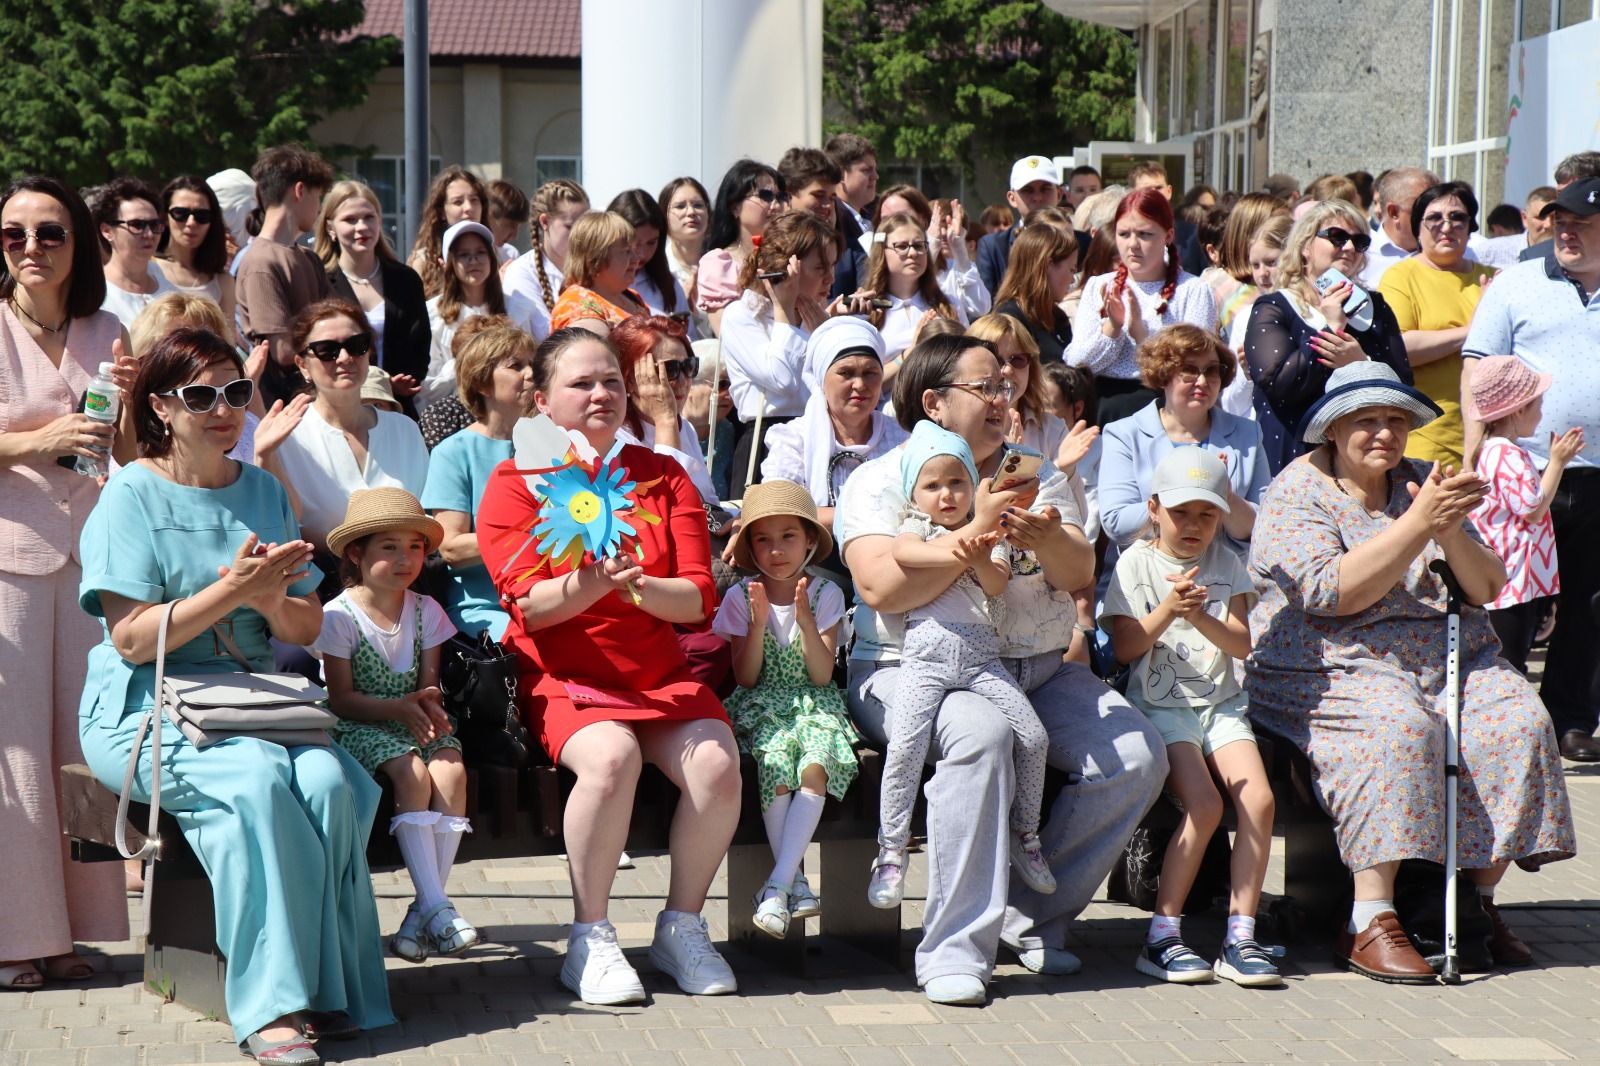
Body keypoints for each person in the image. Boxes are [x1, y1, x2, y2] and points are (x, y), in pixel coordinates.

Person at [75, 327, 393, 1061]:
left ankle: (330, 988)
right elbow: (129, 639)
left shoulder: (262, 491)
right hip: (144, 704)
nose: (224, 410)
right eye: (200, 395)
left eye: (236, 392)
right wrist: (231, 592)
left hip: (254, 702)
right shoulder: (129, 494)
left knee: (328, 782)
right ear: (161, 406)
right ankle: (272, 1006)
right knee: (253, 783)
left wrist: (273, 601)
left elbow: (307, 622)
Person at [840, 333, 1166, 1003]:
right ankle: (955, 948)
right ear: (933, 403)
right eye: (983, 387)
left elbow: (1081, 574)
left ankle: (1028, 918)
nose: (1002, 398)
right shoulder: (879, 478)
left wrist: (1048, 539)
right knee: (981, 735)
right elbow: (880, 590)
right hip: (912, 667)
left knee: (1135, 755)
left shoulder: (1035, 473)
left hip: (1035, 668)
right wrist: (975, 536)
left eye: (1007, 385)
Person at [1248, 359, 1573, 980]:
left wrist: (1448, 533)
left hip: (1448, 651)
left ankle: (1471, 903)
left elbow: (1484, 587)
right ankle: (1369, 918)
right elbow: (1331, 594)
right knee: (1398, 729)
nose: (1384, 434)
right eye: (1365, 421)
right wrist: (1417, 524)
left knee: (1519, 723)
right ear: (1333, 429)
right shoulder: (1297, 491)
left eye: (1395, 420)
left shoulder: (1425, 479)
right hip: (1333, 659)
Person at [475, 327, 741, 1005]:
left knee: (716, 762)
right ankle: (590, 935)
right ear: (541, 401)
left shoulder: (665, 474)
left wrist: (633, 587)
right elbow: (530, 608)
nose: (602, 394)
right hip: (565, 674)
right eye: (582, 383)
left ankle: (681, 926)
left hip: (657, 672)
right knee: (611, 758)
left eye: (612, 382)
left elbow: (698, 598)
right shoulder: (514, 484)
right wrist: (591, 582)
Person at [0, 175, 132, 991]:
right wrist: (34, 439)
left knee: (80, 751)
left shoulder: (108, 326)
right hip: (6, 561)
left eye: (49, 233)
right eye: (13, 235)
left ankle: (71, 932)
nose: (30, 249)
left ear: (79, 242)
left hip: (93, 562)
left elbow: (126, 441)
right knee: (11, 755)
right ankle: (15, 935)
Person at [1102, 447, 1277, 988]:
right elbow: (1126, 648)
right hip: (1162, 708)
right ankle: (1163, 934)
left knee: (1260, 800)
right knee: (1203, 804)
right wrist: (1168, 611)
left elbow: (1242, 646)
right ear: (1154, 509)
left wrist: (1199, 614)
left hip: (1222, 705)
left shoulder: (1228, 564)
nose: (1194, 525)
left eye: (1207, 514)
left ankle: (1240, 934)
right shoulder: (1135, 563)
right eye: (1182, 513)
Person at [871, 419, 1056, 909]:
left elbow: (996, 584)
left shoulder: (986, 540)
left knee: (1033, 736)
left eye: (957, 482)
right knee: (906, 747)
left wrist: (978, 557)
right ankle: (890, 850)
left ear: (974, 487)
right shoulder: (918, 529)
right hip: (925, 660)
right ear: (916, 493)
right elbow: (905, 555)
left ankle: (1027, 835)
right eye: (933, 485)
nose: (947, 494)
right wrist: (966, 544)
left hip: (980, 661)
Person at [1461, 177, 1600, 761]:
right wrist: (1473, 454)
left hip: (1598, 477)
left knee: (1591, 602)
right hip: (1522, 471)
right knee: (1513, 604)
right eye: (1557, 220)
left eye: (1580, 223)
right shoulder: (1517, 283)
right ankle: (1504, 719)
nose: (1564, 231)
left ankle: (1571, 720)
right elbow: (1478, 365)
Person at [316, 488, 477, 963]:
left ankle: (424, 911)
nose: (405, 558)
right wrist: (399, 709)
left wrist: (428, 703)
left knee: (451, 770)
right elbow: (342, 700)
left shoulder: (427, 610)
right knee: (413, 773)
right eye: (389, 547)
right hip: (361, 723)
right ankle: (436, 907)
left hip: (411, 718)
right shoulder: (339, 616)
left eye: (414, 547)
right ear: (356, 553)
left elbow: (427, 685)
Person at [713, 481, 858, 938]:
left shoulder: (827, 595)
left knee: (814, 764)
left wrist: (808, 623)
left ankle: (777, 887)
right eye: (763, 539)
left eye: (788, 537)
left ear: (810, 541)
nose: (776, 550)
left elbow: (820, 675)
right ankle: (793, 884)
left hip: (813, 701)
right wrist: (756, 627)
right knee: (775, 764)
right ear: (751, 548)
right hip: (761, 703)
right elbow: (746, 678)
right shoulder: (740, 597)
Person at [1243, 199, 1410, 474]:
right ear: (1305, 246)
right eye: (1337, 237)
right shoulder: (1276, 306)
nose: (1348, 247)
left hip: (1363, 463)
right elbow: (1278, 384)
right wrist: (1330, 328)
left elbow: (1403, 385)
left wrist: (1361, 364)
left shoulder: (1375, 307)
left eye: (1359, 241)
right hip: (1293, 457)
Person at [271, 299, 429, 554]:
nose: (344, 358)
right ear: (303, 365)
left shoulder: (405, 430)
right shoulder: (287, 437)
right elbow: (282, 525)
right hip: (322, 580)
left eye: (356, 345)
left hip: (406, 576)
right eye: (327, 350)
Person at [1099, 325, 1268, 551]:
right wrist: (1186, 491)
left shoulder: (1248, 434)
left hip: (1228, 578)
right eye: (1189, 369)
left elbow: (1265, 524)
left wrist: (1227, 497)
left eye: (1211, 370)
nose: (1202, 381)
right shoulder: (1124, 435)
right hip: (1150, 574)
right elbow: (1117, 522)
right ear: (1163, 374)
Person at [1465, 356, 1583, 674]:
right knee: (1508, 663)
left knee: (1512, 659)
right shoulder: (1504, 453)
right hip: (1509, 583)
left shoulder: (1498, 450)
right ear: (1518, 410)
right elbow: (1532, 508)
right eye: (1538, 405)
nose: (1542, 413)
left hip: (1513, 580)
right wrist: (1557, 462)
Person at [420, 321, 535, 640]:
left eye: (533, 365)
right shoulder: (453, 452)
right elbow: (452, 548)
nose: (531, 373)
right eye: (516, 366)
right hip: (487, 607)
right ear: (482, 383)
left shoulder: (553, 445)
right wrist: (534, 534)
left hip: (552, 594)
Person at [721, 210, 845, 498]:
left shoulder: (814, 315)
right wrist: (782, 311)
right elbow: (782, 379)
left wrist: (826, 333)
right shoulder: (742, 314)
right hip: (762, 442)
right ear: (789, 268)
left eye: (834, 266)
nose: (831, 277)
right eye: (820, 268)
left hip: (815, 435)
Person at [1067, 188, 1218, 424]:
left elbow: (1194, 366)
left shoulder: (1192, 290)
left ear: (1167, 236)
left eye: (1145, 234)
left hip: (1165, 410)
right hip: (1105, 411)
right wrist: (1112, 328)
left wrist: (1142, 336)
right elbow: (1076, 362)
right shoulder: (1100, 285)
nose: (1133, 244)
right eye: (1124, 234)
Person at [1378, 181, 1497, 468]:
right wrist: (1474, 330)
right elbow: (1400, 349)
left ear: (1470, 227)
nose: (1447, 226)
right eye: (1434, 218)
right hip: (1426, 435)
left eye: (1458, 217)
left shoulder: (1495, 279)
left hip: (1490, 439)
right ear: (1418, 228)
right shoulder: (1401, 277)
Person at [759, 316, 906, 535]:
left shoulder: (902, 437)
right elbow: (780, 508)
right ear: (822, 379)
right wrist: (872, 515)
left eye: (870, 373)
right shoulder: (793, 439)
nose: (860, 384)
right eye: (845, 373)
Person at [235, 145, 335, 406]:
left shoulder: (309, 258)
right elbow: (282, 351)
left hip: (320, 400)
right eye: (319, 197)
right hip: (284, 405)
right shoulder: (260, 262)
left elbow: (338, 320)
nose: (320, 209)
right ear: (300, 190)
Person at [318, 181, 431, 405]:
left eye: (369, 217)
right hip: (340, 403)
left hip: (394, 405)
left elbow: (420, 346)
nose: (362, 227)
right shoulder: (320, 281)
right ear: (331, 228)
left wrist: (400, 381)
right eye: (350, 220)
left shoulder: (405, 280)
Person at [610, 314, 718, 504]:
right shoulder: (616, 440)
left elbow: (708, 500)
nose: (683, 381)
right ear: (629, 380)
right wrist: (665, 421)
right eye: (669, 370)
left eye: (689, 366)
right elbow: (670, 503)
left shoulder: (684, 426)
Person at [872, 186, 991, 323]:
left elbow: (981, 307)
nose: (894, 225)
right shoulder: (874, 299)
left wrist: (959, 248)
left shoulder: (950, 292)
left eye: (902, 217)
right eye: (885, 219)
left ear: (923, 220)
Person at [422, 220, 507, 406]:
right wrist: (468, 360)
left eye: (480, 253)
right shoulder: (431, 313)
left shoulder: (515, 306)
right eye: (464, 255)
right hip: (452, 414)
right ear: (448, 263)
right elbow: (428, 388)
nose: (474, 261)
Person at [697, 159, 786, 333]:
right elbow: (728, 334)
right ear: (735, 207)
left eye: (781, 197)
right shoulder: (719, 264)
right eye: (766, 196)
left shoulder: (791, 257)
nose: (776, 206)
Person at [866, 211, 963, 369]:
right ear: (882, 251)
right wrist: (912, 351)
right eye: (902, 246)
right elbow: (867, 382)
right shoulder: (867, 310)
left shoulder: (949, 305)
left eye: (919, 246)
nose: (913, 253)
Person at [504, 179, 590, 342]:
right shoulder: (520, 273)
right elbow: (523, 343)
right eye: (570, 227)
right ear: (544, 222)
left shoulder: (597, 267)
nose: (581, 236)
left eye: (585, 227)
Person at [156, 175, 237, 337]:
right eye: (180, 213)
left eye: (202, 216)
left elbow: (229, 342)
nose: (191, 222)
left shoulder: (222, 281)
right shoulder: (148, 269)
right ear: (165, 217)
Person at [95, 177, 176, 328]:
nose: (149, 234)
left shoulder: (168, 286)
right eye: (137, 225)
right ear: (107, 231)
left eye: (154, 225)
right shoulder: (95, 294)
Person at [977, 155, 1063, 297]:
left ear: (1059, 194)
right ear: (1012, 198)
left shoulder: (1082, 242)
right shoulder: (993, 246)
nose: (1037, 197)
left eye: (1045, 189)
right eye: (1027, 190)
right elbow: (985, 306)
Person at [549, 212, 648, 335]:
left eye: (634, 250)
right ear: (595, 259)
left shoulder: (632, 296)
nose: (637, 258)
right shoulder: (576, 306)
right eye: (626, 251)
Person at [992, 222, 1076, 365]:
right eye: (1071, 270)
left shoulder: (1057, 317)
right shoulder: (1010, 319)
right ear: (1048, 265)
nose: (1073, 279)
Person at [608, 189, 692, 327]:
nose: (641, 253)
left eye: (651, 243)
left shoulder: (668, 285)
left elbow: (689, 339)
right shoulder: (589, 288)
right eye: (634, 243)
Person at [407, 166, 488, 298]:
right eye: (458, 202)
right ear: (442, 212)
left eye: (474, 200)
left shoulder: (498, 255)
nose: (468, 207)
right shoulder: (422, 262)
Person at [1357, 166, 1439, 288]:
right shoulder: (1359, 257)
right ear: (1394, 212)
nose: (1438, 219)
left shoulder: (1459, 253)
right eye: (1423, 208)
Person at [659, 177, 713, 338]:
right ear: (663, 215)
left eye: (698, 205)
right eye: (680, 206)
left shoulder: (722, 263)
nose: (691, 212)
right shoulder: (659, 268)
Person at [487, 178, 530, 265]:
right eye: (511, 225)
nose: (515, 235)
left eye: (518, 227)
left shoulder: (511, 255)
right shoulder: (462, 251)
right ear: (489, 216)